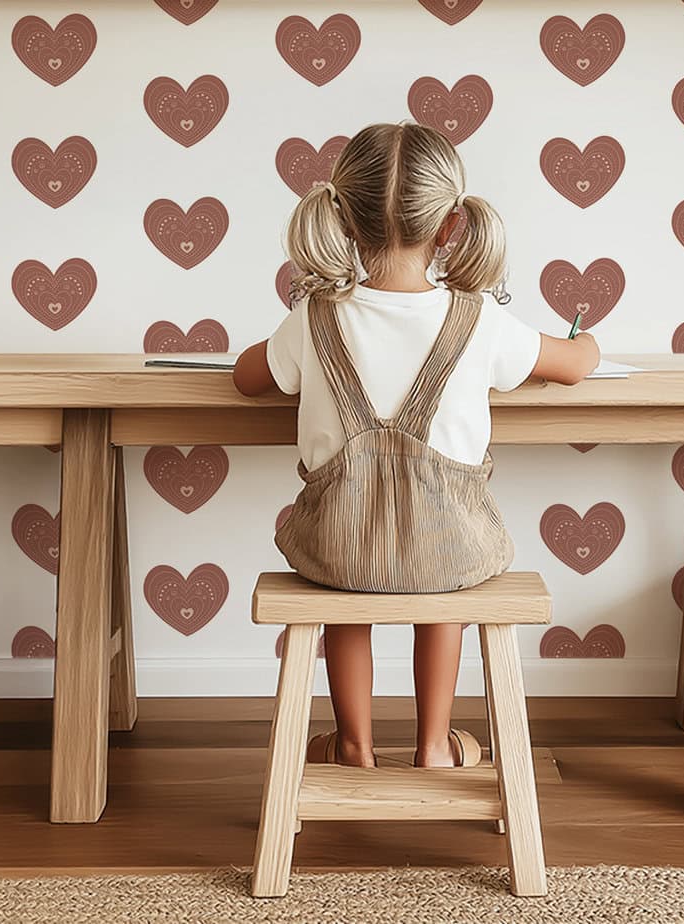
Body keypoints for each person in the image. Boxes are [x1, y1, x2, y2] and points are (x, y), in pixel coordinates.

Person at [234, 122, 599, 770]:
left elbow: (247, 378)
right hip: (452, 554)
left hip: (337, 553)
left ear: (343, 221)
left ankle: (352, 744)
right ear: (452, 225)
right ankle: (434, 745)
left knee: (349, 586)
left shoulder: (316, 316)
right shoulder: (479, 318)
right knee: (443, 576)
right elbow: (570, 365)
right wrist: (589, 344)